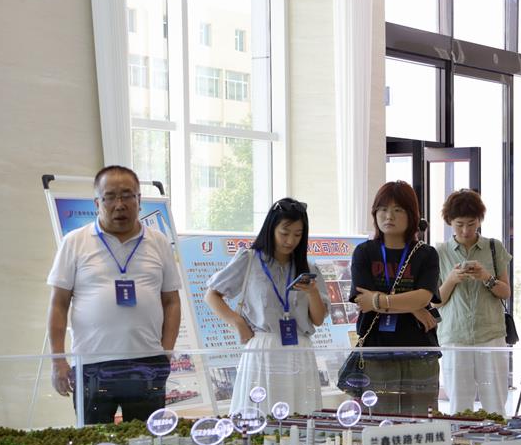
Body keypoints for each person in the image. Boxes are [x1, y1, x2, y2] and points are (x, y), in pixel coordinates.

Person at [47, 165, 182, 424]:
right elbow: (58, 304)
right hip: (93, 363)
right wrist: (58, 361)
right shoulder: (74, 241)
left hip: (147, 361)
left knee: (147, 440)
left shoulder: (159, 242)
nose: (120, 204)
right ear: (97, 203)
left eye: (127, 195)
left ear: (139, 200)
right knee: (95, 441)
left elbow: (171, 301)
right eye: (110, 197)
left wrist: (165, 352)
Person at [204, 198, 329, 417]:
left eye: (298, 234)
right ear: (271, 228)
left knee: (300, 419)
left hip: (299, 349)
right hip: (263, 346)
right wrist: (237, 322)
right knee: (258, 416)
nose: (290, 240)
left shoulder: (308, 268)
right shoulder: (250, 260)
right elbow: (212, 295)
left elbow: (318, 320)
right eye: (284, 233)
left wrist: (312, 292)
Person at [351, 181, 441, 415]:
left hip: (419, 349)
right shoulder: (364, 252)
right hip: (376, 350)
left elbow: (423, 297)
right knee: (379, 418)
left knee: (422, 419)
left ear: (411, 215)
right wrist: (412, 307)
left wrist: (380, 301)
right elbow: (363, 301)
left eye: (398, 210)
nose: (388, 216)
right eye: (382, 209)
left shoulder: (426, 254)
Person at [435, 190, 512, 415]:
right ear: (450, 221)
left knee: (495, 402)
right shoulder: (440, 252)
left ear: (479, 220)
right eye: (459, 224)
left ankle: (497, 436)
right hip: (455, 336)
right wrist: (452, 279)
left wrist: (486, 277)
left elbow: (505, 292)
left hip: (490, 334)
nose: (466, 230)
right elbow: (436, 302)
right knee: (459, 406)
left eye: (471, 223)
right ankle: (460, 438)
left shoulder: (494, 247)